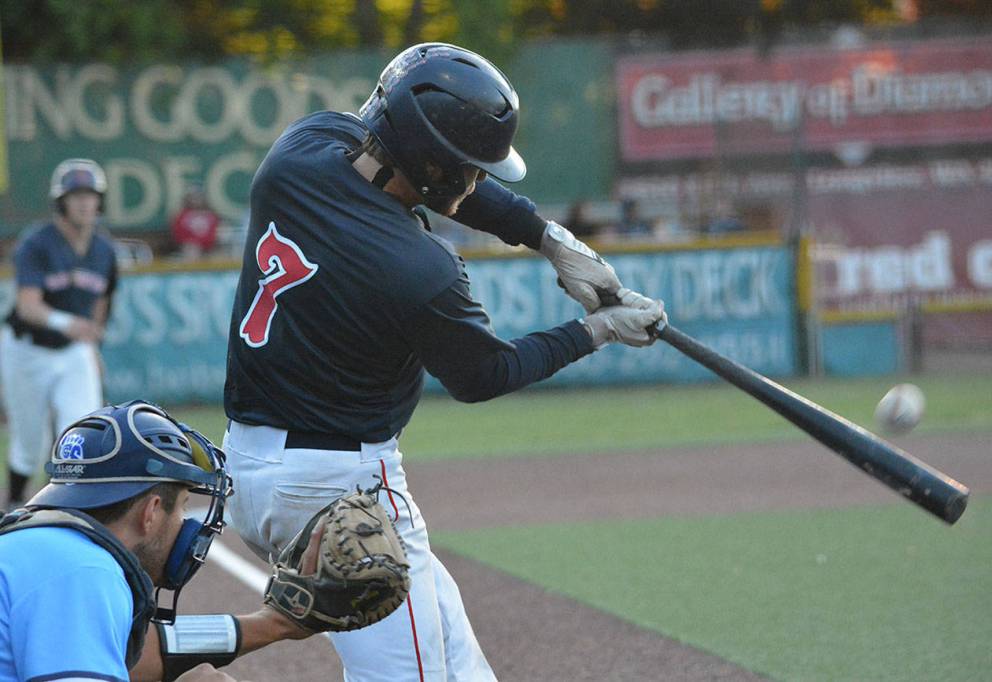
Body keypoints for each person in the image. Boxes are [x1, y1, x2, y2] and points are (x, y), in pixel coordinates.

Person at [222, 42, 666, 682]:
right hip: (340, 486)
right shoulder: (421, 267)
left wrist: (546, 237)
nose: (479, 182)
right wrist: (596, 330)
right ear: (434, 166)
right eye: (471, 169)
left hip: (249, 470)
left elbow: (420, 172)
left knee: (457, 662)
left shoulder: (300, 150)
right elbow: (486, 375)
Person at [0, 401, 318, 682]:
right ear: (151, 512)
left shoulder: (42, 551)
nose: (185, 523)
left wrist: (274, 624)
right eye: (182, 507)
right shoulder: (83, 570)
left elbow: (129, 658)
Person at [2, 159, 118, 509]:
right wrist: (68, 324)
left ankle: (67, 508)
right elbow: (27, 306)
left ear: (99, 201)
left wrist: (91, 346)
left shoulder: (104, 250)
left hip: (73, 350)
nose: (84, 203)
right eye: (75, 196)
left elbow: (101, 303)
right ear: (61, 202)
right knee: (29, 445)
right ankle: (14, 504)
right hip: (27, 349)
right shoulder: (37, 243)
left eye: (90, 195)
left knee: (81, 433)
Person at [170, 185, 221, 261]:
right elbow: (178, 234)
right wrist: (191, 243)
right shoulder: (181, 215)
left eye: (198, 197)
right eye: (193, 197)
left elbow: (215, 233)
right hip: (190, 248)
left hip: (210, 247)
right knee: (192, 250)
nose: (195, 200)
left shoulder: (210, 215)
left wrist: (209, 244)